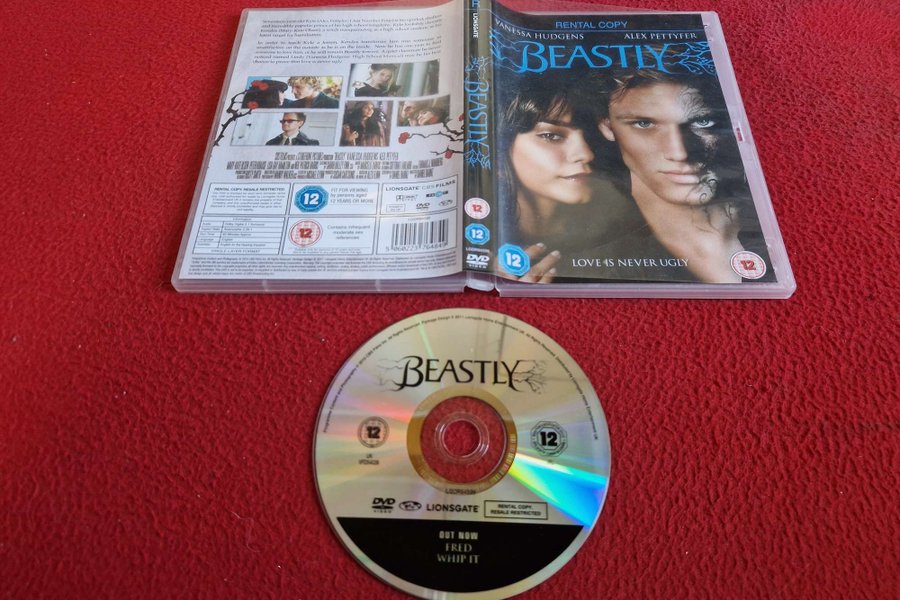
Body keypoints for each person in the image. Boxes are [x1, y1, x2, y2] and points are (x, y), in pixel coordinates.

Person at [595, 69, 770, 283]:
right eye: (644, 124)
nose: (680, 152)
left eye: (703, 122)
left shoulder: (766, 227)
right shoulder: (595, 264)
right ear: (608, 127)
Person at [495, 77, 615, 282]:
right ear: (499, 146)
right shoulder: (477, 237)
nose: (586, 154)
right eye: (551, 136)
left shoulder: (617, 216)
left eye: (588, 135)